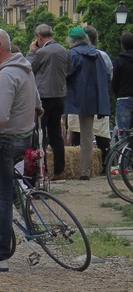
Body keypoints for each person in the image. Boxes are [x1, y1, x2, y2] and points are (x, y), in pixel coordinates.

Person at [0, 28, 40, 272]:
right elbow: (38, 103)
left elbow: (0, 115)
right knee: (8, 187)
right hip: (24, 138)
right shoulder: (25, 68)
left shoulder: (5, 75)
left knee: (1, 198)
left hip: (5, 142)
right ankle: (28, 216)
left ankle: (1, 255)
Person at [66, 26, 111, 180]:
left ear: (72, 40)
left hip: (73, 97)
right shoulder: (97, 55)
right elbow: (105, 76)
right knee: (87, 134)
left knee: (57, 129)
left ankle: (55, 168)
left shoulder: (72, 54)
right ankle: (85, 171)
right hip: (93, 98)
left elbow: (66, 74)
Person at [27, 23, 70, 181]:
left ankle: (41, 171)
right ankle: (59, 171)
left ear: (39, 37)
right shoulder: (64, 50)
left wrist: (32, 51)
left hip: (44, 97)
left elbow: (28, 67)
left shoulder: (41, 52)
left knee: (39, 134)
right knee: (56, 133)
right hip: (60, 95)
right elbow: (68, 68)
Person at [113, 32, 133, 136]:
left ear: (122, 45)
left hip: (124, 97)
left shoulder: (119, 60)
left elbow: (115, 81)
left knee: (124, 134)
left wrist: (118, 93)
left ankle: (125, 152)